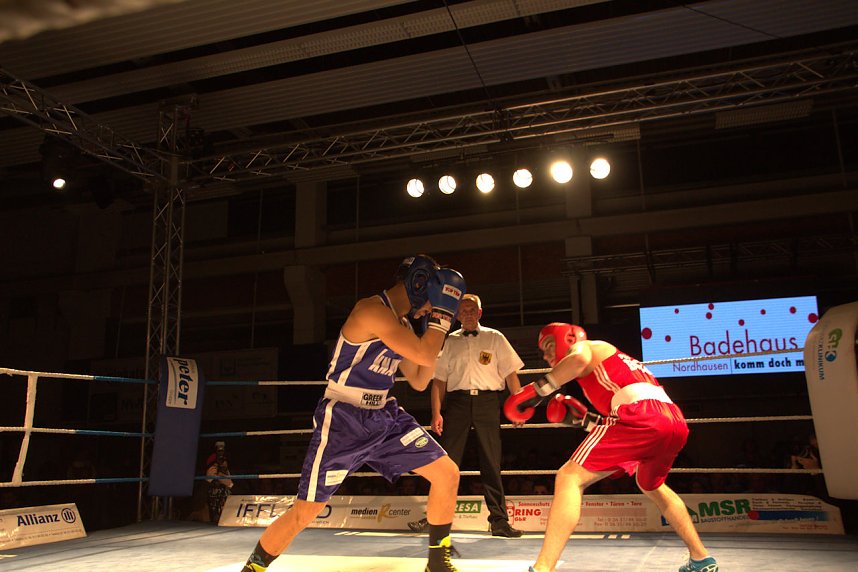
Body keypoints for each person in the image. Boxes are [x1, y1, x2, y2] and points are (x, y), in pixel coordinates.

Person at [241, 254, 467, 572]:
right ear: (420, 284)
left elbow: (418, 379)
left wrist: (436, 333)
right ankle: (254, 567)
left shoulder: (402, 324)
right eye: (434, 300)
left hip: (385, 417)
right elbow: (422, 351)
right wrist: (441, 320)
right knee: (306, 511)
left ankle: (437, 564)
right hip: (344, 419)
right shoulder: (371, 311)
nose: (431, 309)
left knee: (447, 474)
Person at [505, 323, 718, 572]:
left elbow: (579, 358)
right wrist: (584, 421)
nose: (545, 355)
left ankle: (543, 568)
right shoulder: (616, 366)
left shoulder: (588, 347)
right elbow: (624, 419)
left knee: (568, 477)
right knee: (652, 485)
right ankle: (701, 558)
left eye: (549, 346)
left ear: (569, 338)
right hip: (672, 420)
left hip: (643, 416)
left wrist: (535, 391)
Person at [411, 293, 523, 537]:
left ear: (480, 313)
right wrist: (436, 413)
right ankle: (433, 518)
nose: (468, 314)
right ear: (457, 315)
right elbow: (438, 381)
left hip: (487, 402)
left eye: (472, 310)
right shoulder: (449, 340)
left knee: (491, 462)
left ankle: (499, 522)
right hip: (458, 403)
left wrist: (519, 407)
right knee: (446, 463)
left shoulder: (495, 338)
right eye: (463, 310)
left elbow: (511, 375)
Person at [206, 441, 234, 524]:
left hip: (230, 520)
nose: (220, 464)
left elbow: (244, 500)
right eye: (215, 463)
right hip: (208, 523)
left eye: (223, 461)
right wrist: (207, 481)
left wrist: (231, 485)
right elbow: (195, 506)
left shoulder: (236, 476)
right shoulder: (207, 478)